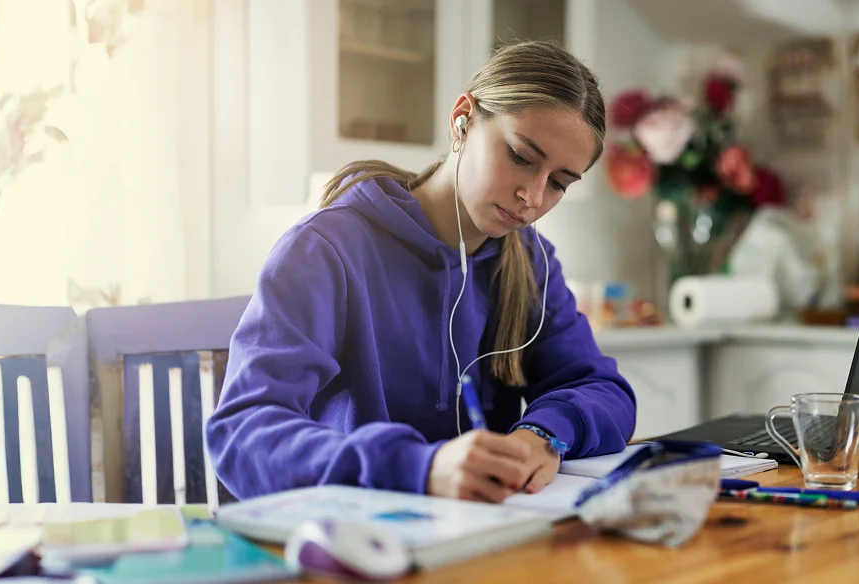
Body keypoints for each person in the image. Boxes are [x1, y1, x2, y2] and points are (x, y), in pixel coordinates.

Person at [206, 40, 636, 504]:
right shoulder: (326, 249)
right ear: (463, 120)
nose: (532, 197)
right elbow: (242, 433)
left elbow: (603, 390)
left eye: (557, 183)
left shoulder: (531, 262)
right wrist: (420, 468)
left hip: (482, 539)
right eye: (520, 157)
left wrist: (542, 433)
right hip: (355, 542)